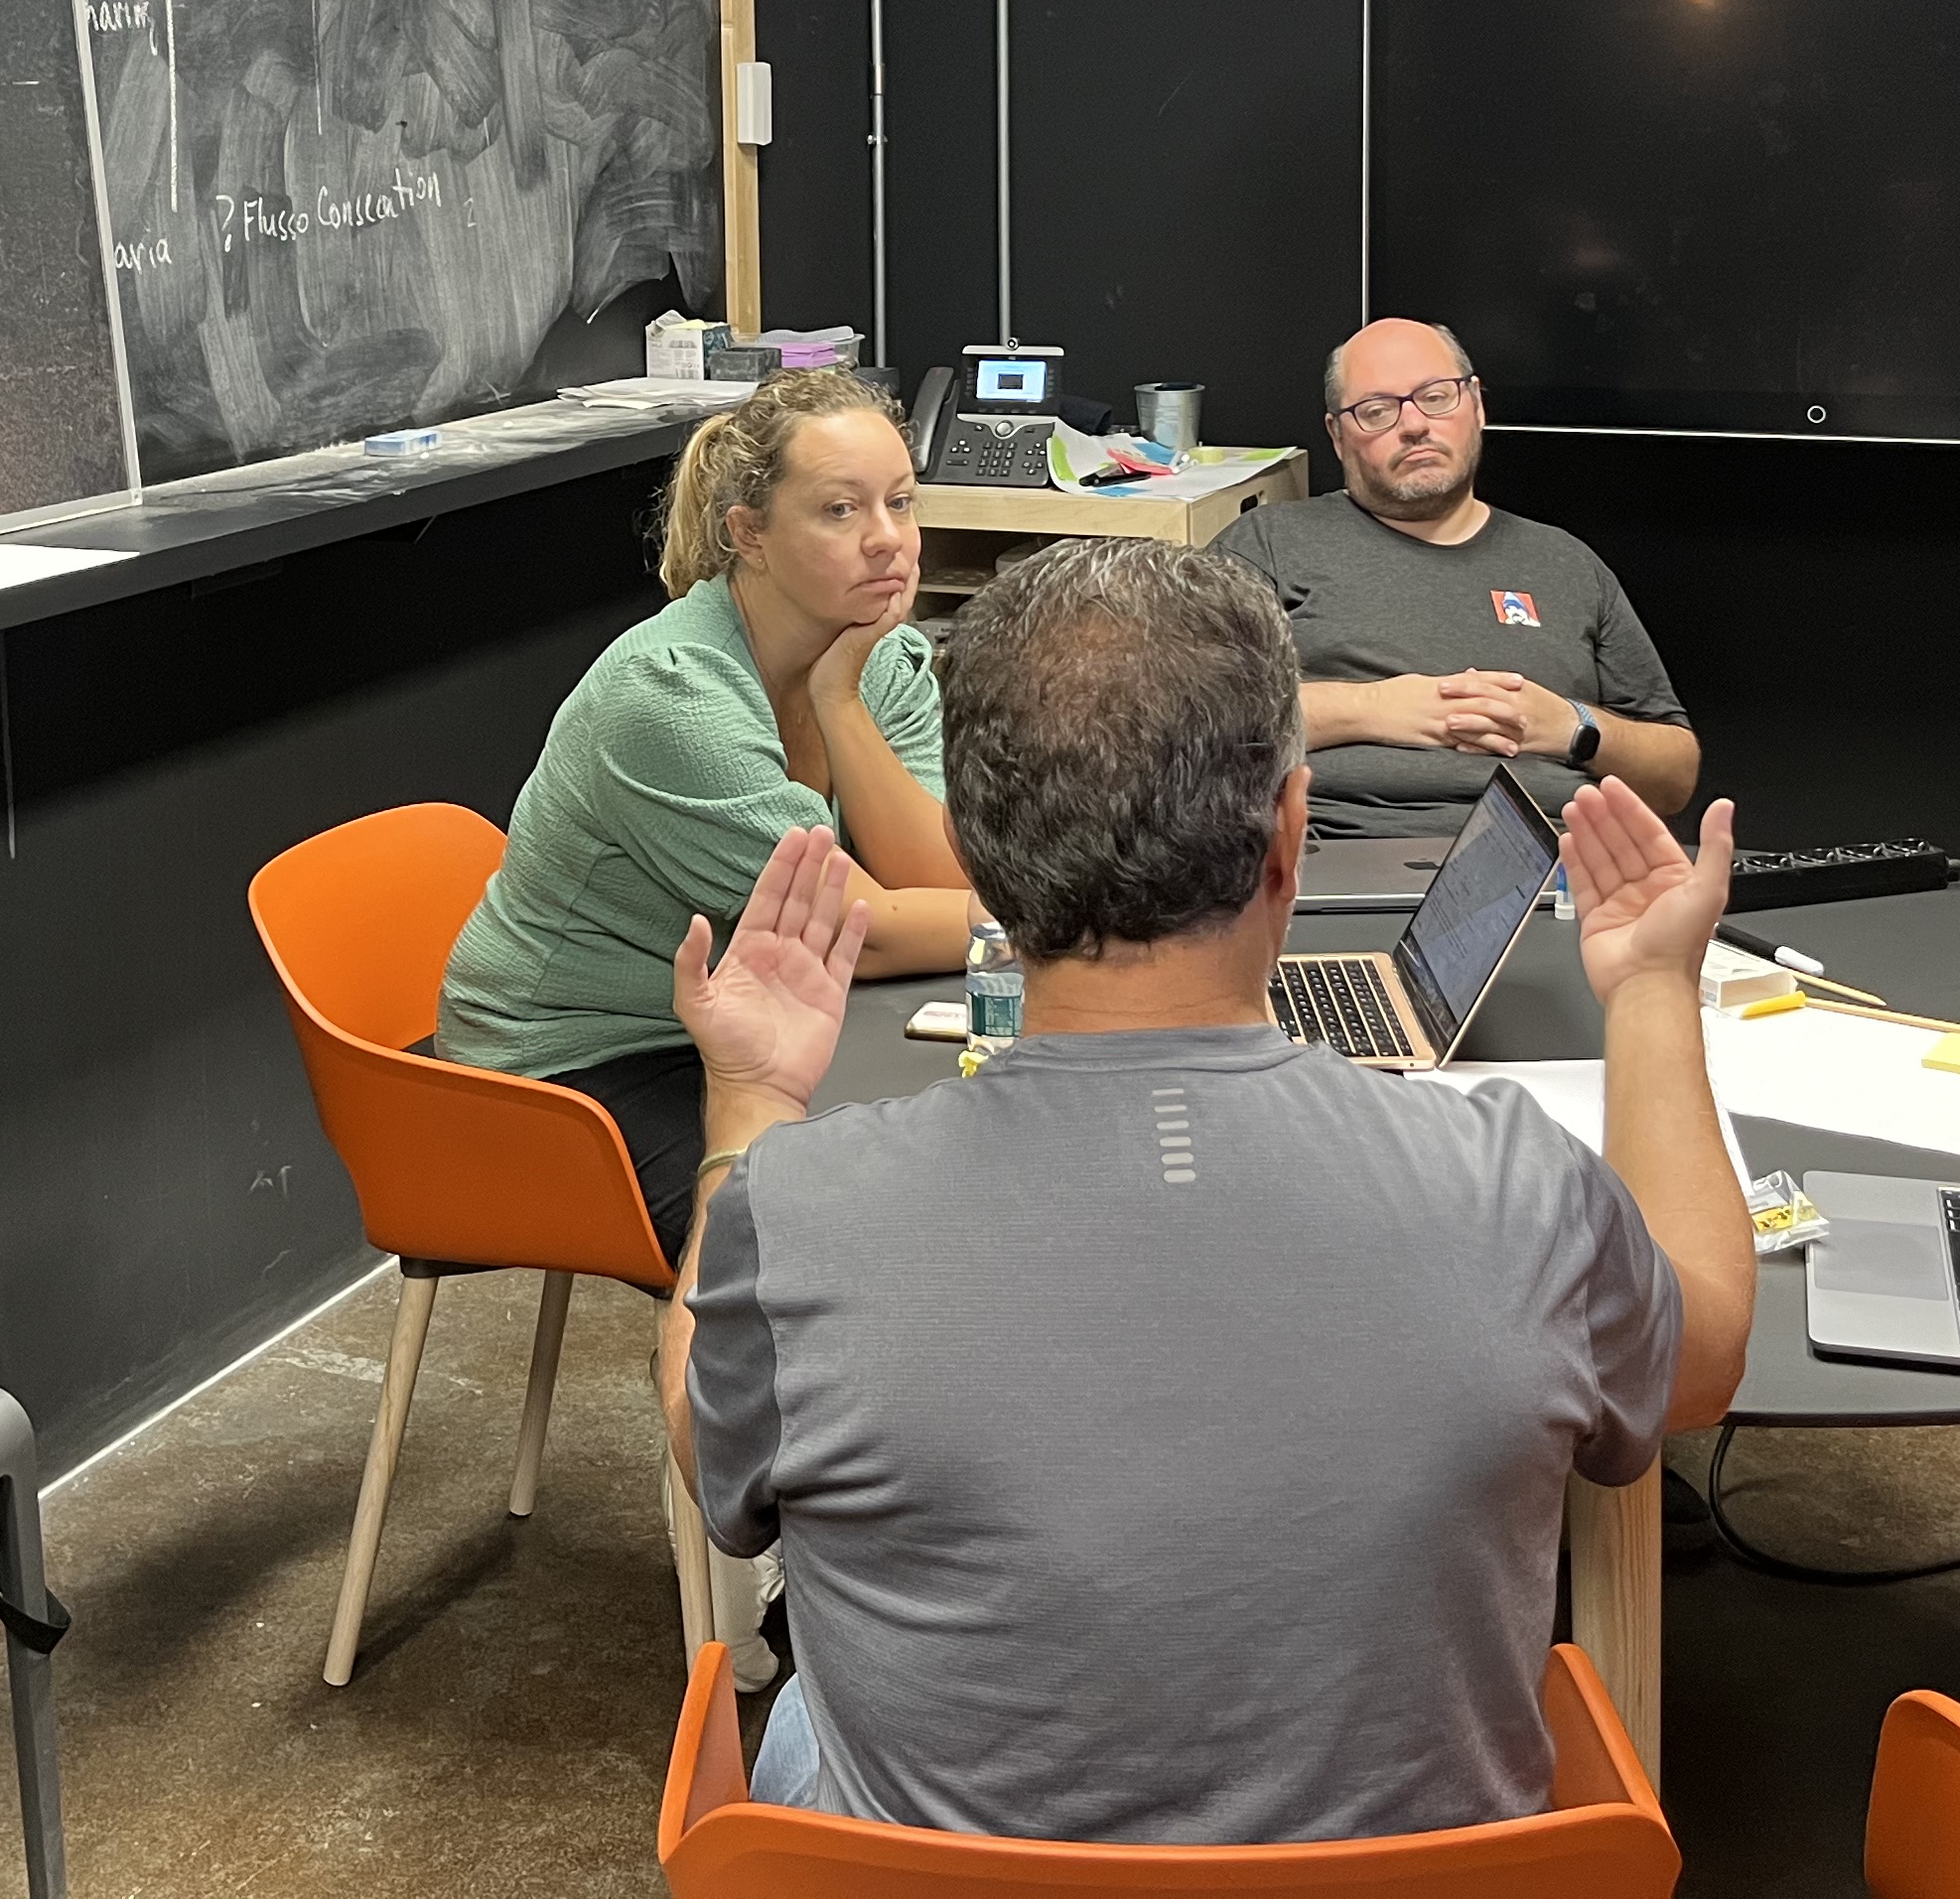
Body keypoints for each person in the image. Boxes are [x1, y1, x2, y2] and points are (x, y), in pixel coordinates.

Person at [653, 538, 1756, 1841]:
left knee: (803, 1717)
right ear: (1290, 833)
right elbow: (1703, 1356)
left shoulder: (801, 1211)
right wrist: (1652, 995)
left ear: (974, 860)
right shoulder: (1523, 1185)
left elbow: (707, 1449)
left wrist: (752, 1104)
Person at [438, 366, 975, 1266]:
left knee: (953, 1159)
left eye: (901, 503)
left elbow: (938, 878)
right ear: (748, 534)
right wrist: (1074, 926)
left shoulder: (877, 657)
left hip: (747, 1019)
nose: (888, 540)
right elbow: (868, 931)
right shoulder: (669, 696)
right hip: (569, 1068)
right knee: (833, 1230)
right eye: (840, 511)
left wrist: (838, 698)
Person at [1213, 317, 1697, 832]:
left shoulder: (1566, 563)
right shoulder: (1270, 543)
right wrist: (1372, 707)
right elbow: (1187, 725)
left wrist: (1575, 728)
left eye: (1436, 397)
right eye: (1377, 411)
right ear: (1337, 435)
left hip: (1554, 857)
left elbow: (1675, 778)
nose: (1414, 425)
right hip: (1334, 848)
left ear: (1477, 406)